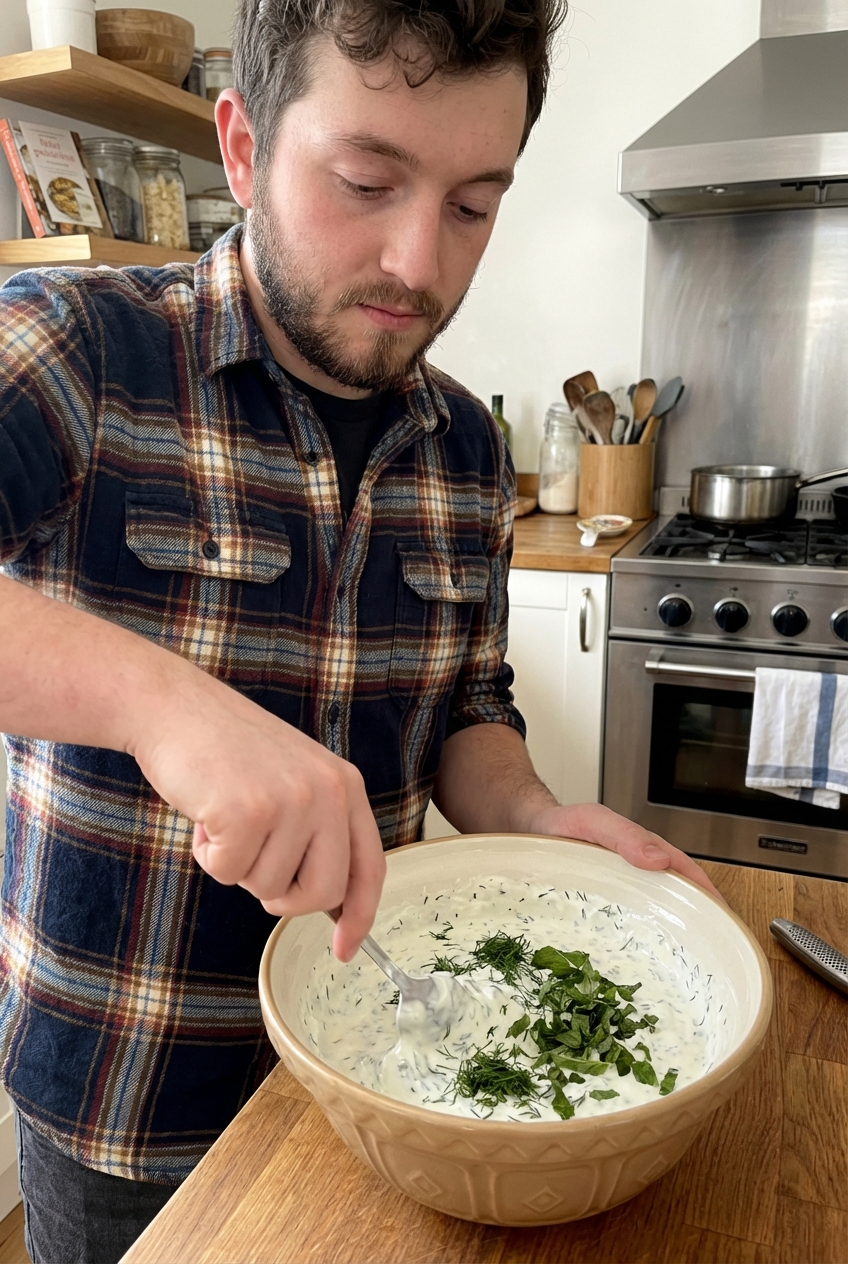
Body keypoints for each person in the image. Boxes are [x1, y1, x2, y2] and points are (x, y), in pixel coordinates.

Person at [0, 1, 719, 1259]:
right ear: (240, 146)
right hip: (131, 1105)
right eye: (365, 180)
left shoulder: (466, 446)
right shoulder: (87, 352)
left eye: (470, 205)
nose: (416, 264)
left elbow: (468, 710)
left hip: (386, 1086)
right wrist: (162, 705)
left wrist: (538, 819)